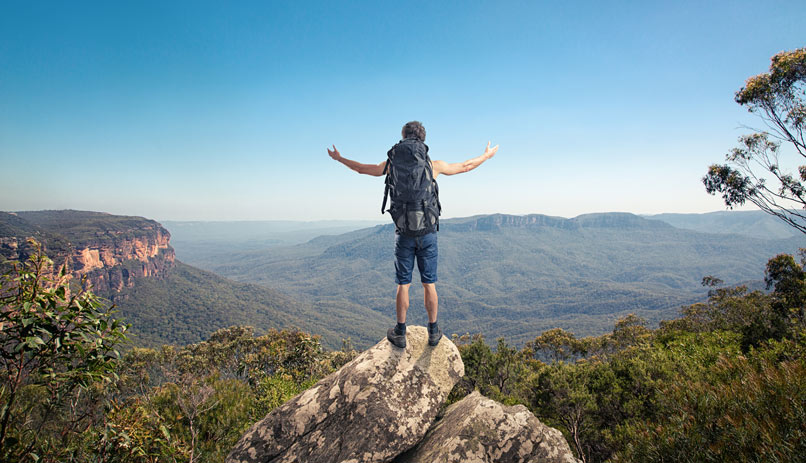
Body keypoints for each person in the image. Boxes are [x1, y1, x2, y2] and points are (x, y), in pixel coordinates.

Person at [328, 121, 498, 348]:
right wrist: (486, 156)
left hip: (404, 232)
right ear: (423, 140)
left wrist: (340, 158)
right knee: (429, 284)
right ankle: (434, 331)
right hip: (428, 233)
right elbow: (466, 166)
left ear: (403, 138)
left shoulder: (391, 164)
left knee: (403, 284)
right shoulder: (432, 165)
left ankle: (400, 331)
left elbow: (362, 169)